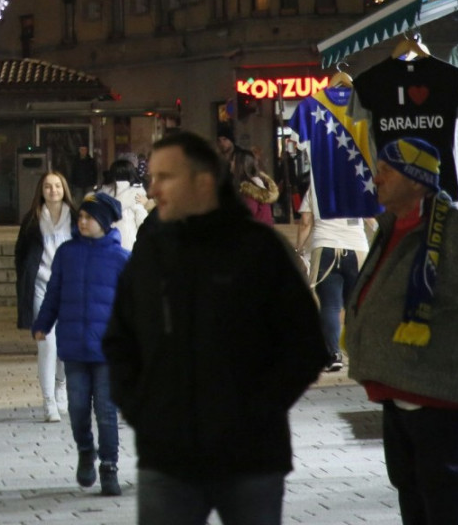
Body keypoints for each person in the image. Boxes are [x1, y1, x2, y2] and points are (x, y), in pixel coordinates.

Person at [102, 130, 325, 524]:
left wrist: (258, 411)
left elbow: (304, 346)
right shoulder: (151, 251)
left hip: (251, 457)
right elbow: (120, 341)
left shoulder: (260, 250)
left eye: (165, 177)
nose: (152, 189)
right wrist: (143, 411)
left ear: (203, 181)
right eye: (152, 177)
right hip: (166, 458)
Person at [344, 137, 458, 525]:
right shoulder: (394, 226)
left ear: (416, 179)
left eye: (386, 170)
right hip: (398, 391)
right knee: (412, 492)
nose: (376, 179)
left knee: (442, 496)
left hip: (439, 399)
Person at [32, 191, 130, 496]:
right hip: (74, 346)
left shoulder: (121, 258)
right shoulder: (67, 253)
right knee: (76, 407)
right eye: (81, 217)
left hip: (107, 350)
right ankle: (86, 451)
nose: (82, 221)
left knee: (106, 410)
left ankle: (109, 466)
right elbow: (54, 292)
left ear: (104, 221)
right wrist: (43, 324)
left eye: (89, 217)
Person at [13, 169, 75, 422]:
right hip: (41, 287)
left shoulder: (77, 217)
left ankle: (61, 387)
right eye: (48, 186)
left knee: (66, 346)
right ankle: (48, 400)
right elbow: (21, 254)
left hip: (69, 289)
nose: (53, 191)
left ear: (64, 189)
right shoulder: (33, 219)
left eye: (57, 186)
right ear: (41, 190)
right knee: (47, 344)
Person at [295, 169, 370, 373]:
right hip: (357, 248)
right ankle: (362, 353)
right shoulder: (358, 185)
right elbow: (372, 219)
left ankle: (334, 354)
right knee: (357, 305)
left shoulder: (317, 186)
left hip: (325, 247)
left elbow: (305, 223)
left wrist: (299, 248)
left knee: (330, 306)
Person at [97, 160, 148, 250]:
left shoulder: (103, 193)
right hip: (129, 242)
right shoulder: (136, 194)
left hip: (106, 241)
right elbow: (142, 221)